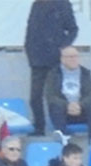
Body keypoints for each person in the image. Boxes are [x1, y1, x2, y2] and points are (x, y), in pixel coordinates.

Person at [25, 0, 78, 136]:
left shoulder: (63, 4)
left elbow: (73, 29)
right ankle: (39, 128)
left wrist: (61, 48)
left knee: (54, 98)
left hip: (54, 60)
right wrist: (29, 49)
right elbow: (30, 29)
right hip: (37, 60)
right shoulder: (37, 4)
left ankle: (60, 129)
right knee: (35, 97)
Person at [44, 46, 91, 138]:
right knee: (55, 107)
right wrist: (67, 105)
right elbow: (50, 95)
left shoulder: (85, 73)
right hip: (63, 111)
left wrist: (80, 105)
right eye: (70, 57)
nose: (74, 59)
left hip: (81, 110)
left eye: (76, 56)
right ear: (62, 59)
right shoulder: (53, 74)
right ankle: (63, 138)